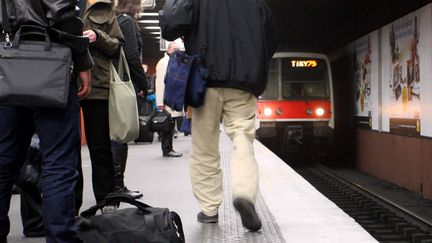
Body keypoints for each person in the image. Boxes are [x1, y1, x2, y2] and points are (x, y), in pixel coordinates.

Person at [160, 0, 278, 231]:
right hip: (244, 83)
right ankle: (244, 194)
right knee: (243, 140)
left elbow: (170, 26)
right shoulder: (258, 3)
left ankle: (209, 208)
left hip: (205, 80)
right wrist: (251, 60)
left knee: (205, 147)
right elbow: (271, 39)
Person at [0, 0, 93, 242]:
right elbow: (61, 12)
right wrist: (82, 60)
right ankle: (60, 237)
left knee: (4, 160)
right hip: (50, 64)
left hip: (6, 64)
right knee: (59, 163)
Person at [81, 0, 123, 208]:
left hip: (97, 87)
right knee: (65, 152)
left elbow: (116, 46)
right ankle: (67, 206)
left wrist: (98, 37)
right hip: (60, 83)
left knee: (99, 147)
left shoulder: (103, 9)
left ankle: (106, 200)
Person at [111, 0, 149, 199]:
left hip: (108, 83)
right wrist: (144, 84)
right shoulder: (127, 22)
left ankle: (112, 184)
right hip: (123, 83)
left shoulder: (114, 19)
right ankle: (118, 185)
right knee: (120, 133)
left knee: (111, 134)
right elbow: (132, 56)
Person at [155, 42, 183, 157]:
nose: (178, 51)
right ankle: (167, 149)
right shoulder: (163, 63)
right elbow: (160, 83)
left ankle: (169, 148)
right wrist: (160, 102)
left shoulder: (174, 61)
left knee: (171, 126)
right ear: (169, 50)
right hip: (167, 100)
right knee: (167, 126)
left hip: (173, 99)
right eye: (175, 49)